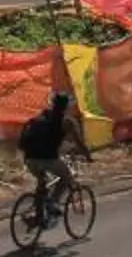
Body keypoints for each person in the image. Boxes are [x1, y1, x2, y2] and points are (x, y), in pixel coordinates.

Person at [16, 86, 91, 216]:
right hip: (48, 159)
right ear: (66, 107)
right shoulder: (67, 121)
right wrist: (88, 156)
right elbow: (79, 143)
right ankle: (53, 202)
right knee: (66, 177)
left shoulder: (41, 116)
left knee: (42, 181)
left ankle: (38, 211)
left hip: (30, 158)